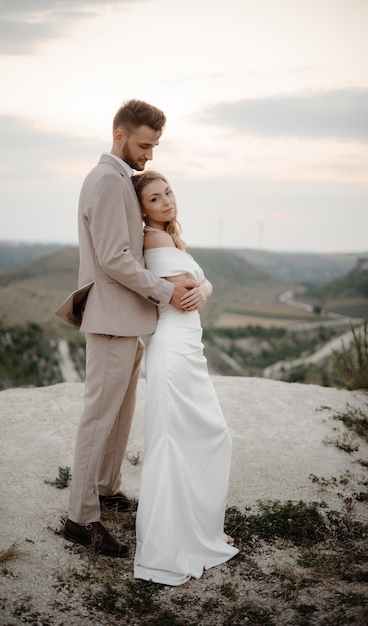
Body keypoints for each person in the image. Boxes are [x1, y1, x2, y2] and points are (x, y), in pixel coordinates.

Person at [54, 100, 198, 558]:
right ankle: (81, 516)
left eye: (154, 146)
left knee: (119, 414)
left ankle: (106, 488)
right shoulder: (104, 179)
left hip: (127, 318)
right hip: (113, 318)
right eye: (144, 144)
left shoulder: (120, 180)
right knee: (99, 416)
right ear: (120, 136)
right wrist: (165, 291)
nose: (150, 155)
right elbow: (115, 258)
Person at [132, 170, 239, 585]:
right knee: (195, 438)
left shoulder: (170, 238)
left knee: (194, 438)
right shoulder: (154, 238)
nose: (167, 202)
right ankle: (180, 541)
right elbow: (191, 290)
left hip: (185, 350)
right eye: (155, 199)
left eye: (168, 193)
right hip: (175, 350)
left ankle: (199, 532)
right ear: (142, 209)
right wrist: (204, 287)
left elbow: (201, 285)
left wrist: (206, 288)